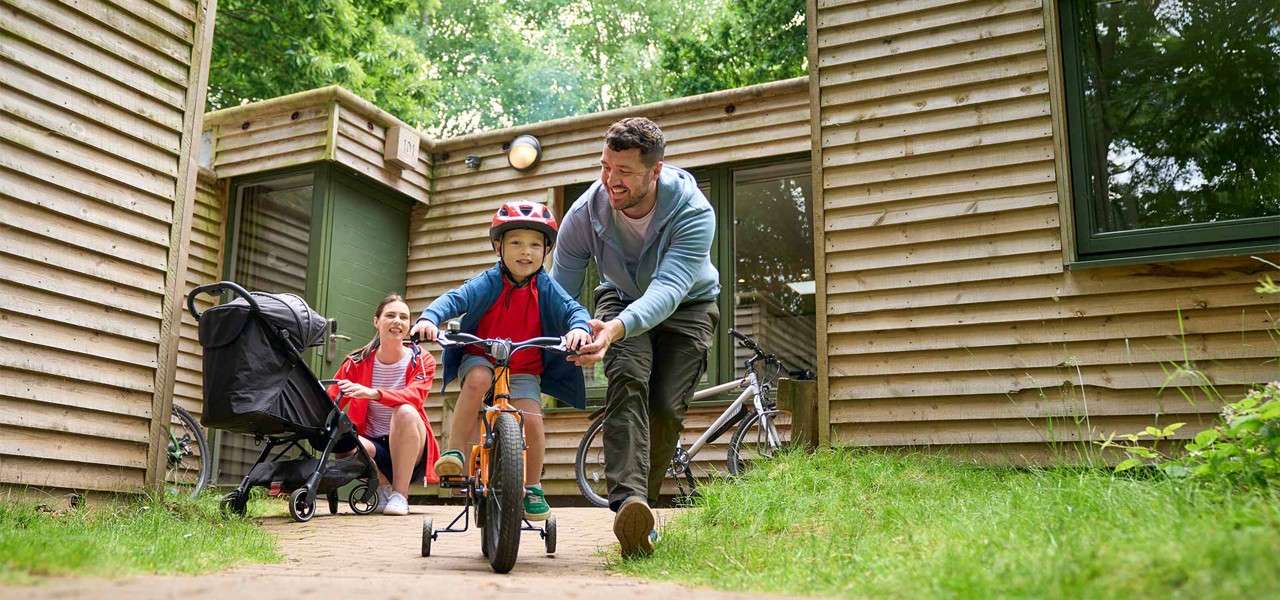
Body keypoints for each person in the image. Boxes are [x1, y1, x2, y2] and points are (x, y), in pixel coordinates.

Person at [551, 117, 720, 557]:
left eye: (624, 172)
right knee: (627, 379)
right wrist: (569, 331)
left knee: (664, 405)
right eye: (606, 167)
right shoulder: (586, 212)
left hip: (688, 306)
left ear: (655, 170)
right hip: (619, 297)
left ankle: (638, 516)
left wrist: (617, 328)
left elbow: (668, 288)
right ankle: (631, 502)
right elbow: (560, 288)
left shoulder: (693, 211)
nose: (611, 180)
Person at [409, 200, 593, 522]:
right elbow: (456, 298)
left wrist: (579, 327)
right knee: (478, 381)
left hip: (523, 367)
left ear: (546, 250)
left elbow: (574, 310)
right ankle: (454, 453)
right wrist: (429, 318)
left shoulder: (546, 286)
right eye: (516, 243)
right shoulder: (490, 280)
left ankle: (533, 486)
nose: (526, 252)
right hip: (480, 356)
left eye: (536, 244)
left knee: (533, 419)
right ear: (499, 247)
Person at [328, 294, 441, 516]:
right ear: (376, 321)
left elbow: (414, 396)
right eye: (390, 315)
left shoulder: (422, 359)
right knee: (344, 439)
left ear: (409, 326)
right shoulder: (356, 362)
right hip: (372, 445)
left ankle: (400, 495)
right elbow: (331, 398)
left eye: (404, 317)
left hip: (410, 445)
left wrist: (374, 393)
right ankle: (382, 488)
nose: (397, 321)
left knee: (406, 410)